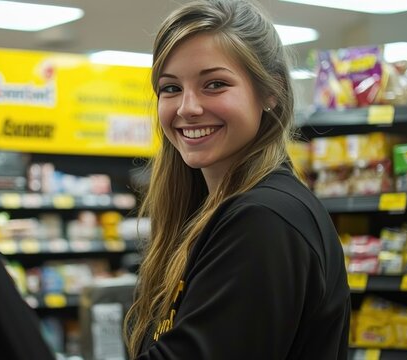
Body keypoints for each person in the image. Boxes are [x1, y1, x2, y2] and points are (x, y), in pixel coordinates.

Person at [123, 0, 350, 359]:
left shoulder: (263, 219)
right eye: (171, 88)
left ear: (270, 91)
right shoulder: (211, 213)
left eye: (214, 84)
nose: (187, 107)